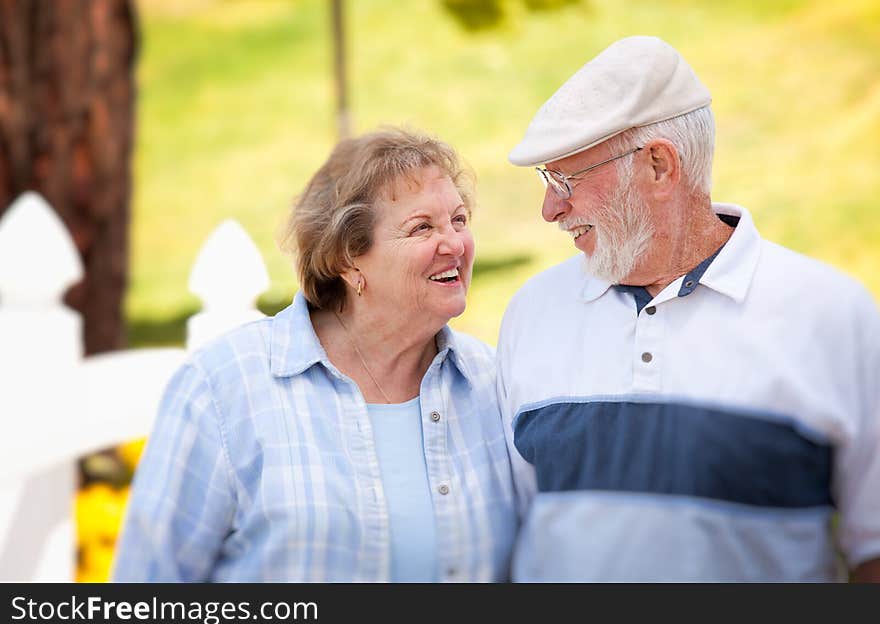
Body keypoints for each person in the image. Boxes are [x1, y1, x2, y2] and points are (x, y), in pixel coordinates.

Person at [498, 35, 880, 582]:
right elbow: (511, 532)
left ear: (658, 166)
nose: (550, 209)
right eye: (545, 181)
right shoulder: (530, 313)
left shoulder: (833, 316)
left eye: (566, 180)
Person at [113, 128, 517, 582]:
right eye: (422, 227)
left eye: (459, 221)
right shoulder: (225, 387)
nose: (455, 245)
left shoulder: (493, 383)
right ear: (348, 258)